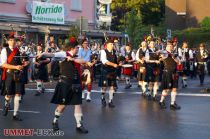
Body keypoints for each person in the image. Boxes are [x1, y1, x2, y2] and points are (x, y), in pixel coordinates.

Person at [38, 37, 92, 133]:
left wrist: (76, 60)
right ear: (72, 48)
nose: (78, 49)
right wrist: (42, 53)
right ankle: (55, 121)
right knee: (62, 105)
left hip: (76, 83)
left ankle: (79, 125)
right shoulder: (63, 54)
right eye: (77, 48)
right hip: (65, 83)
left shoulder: (76, 56)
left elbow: (80, 61)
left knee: (78, 104)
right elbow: (52, 54)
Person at [0, 32, 25, 121]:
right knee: (9, 94)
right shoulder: (4, 50)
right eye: (10, 40)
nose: (12, 42)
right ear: (8, 41)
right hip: (9, 74)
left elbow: (22, 62)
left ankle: (15, 114)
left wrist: (23, 64)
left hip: (18, 74)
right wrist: (15, 67)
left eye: (13, 40)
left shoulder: (18, 50)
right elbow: (3, 64)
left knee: (18, 94)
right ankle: (6, 104)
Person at [99, 39, 121, 108]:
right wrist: (113, 64)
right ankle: (102, 98)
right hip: (105, 71)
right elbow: (104, 61)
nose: (112, 45)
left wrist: (119, 63)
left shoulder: (114, 52)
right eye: (111, 44)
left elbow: (116, 61)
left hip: (112, 72)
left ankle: (110, 101)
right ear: (107, 45)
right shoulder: (103, 51)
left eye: (113, 44)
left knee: (112, 87)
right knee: (104, 87)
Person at [159, 42, 181, 110]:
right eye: (169, 46)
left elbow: (179, 62)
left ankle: (172, 104)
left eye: (171, 46)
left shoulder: (174, 54)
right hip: (167, 72)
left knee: (174, 88)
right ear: (166, 47)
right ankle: (161, 101)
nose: (170, 47)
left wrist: (174, 57)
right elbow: (161, 57)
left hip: (174, 72)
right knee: (166, 89)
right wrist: (160, 53)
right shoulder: (165, 53)